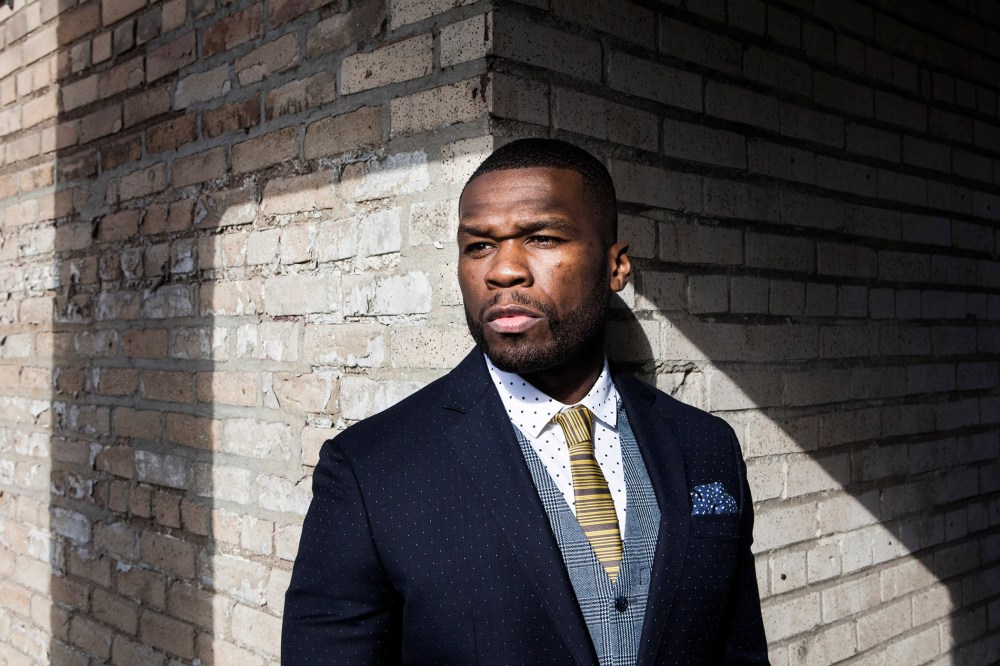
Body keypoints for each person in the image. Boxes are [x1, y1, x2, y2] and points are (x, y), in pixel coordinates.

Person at [282, 139, 769, 665]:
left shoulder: (706, 445)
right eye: (479, 246)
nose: (504, 270)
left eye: (541, 237)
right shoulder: (369, 471)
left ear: (616, 267)